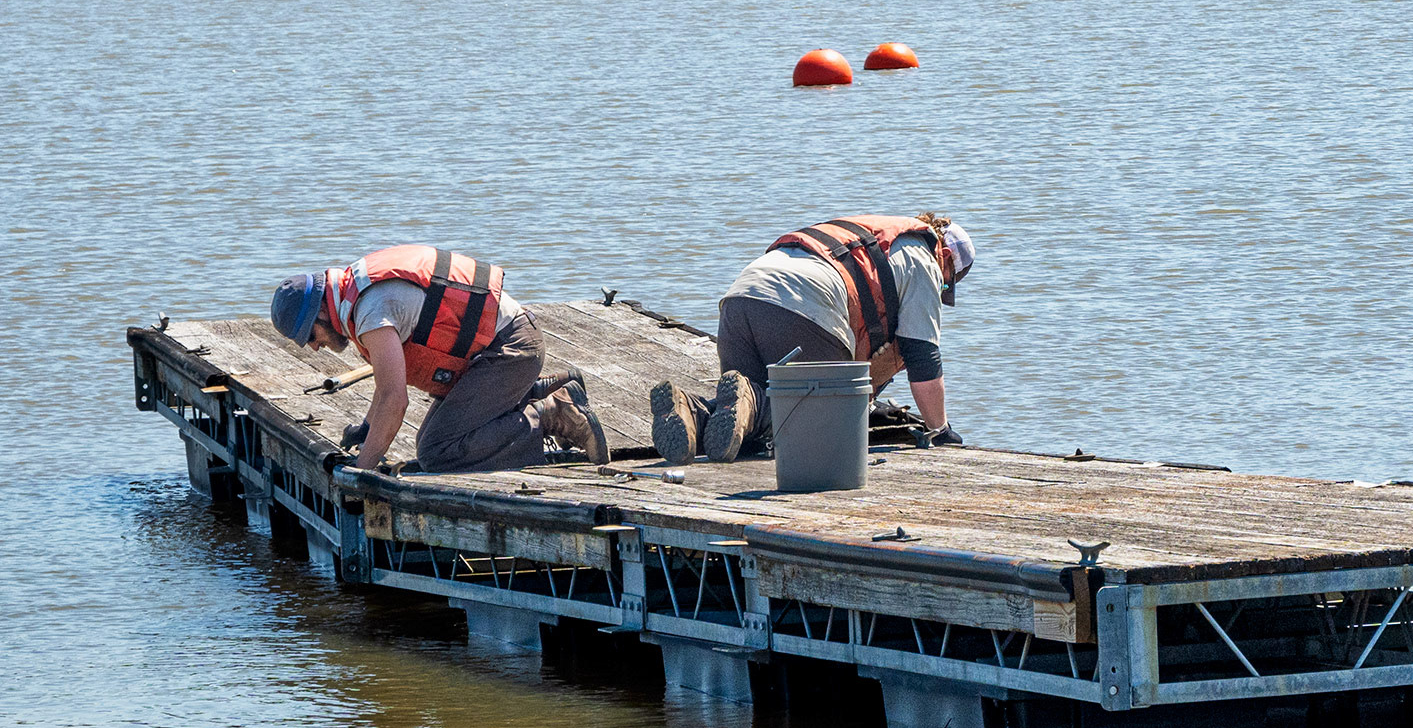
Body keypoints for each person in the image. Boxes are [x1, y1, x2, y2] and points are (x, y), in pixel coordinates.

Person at [650, 213, 975, 464]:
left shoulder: (873, 230)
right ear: (945, 255)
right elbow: (923, 357)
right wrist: (940, 431)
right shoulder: (924, 257)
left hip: (740, 301)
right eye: (948, 285)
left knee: (746, 432)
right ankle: (756, 400)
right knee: (824, 430)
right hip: (800, 307)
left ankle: (691, 411)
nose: (942, 291)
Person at [270, 245, 607, 473]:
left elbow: (394, 400)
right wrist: (367, 431)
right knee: (432, 441)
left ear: (321, 313)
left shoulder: (371, 312)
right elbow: (385, 388)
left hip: (510, 350)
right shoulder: (355, 291)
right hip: (497, 351)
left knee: (437, 451)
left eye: (310, 336)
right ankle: (534, 393)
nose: (313, 348)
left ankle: (553, 412)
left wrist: (362, 474)